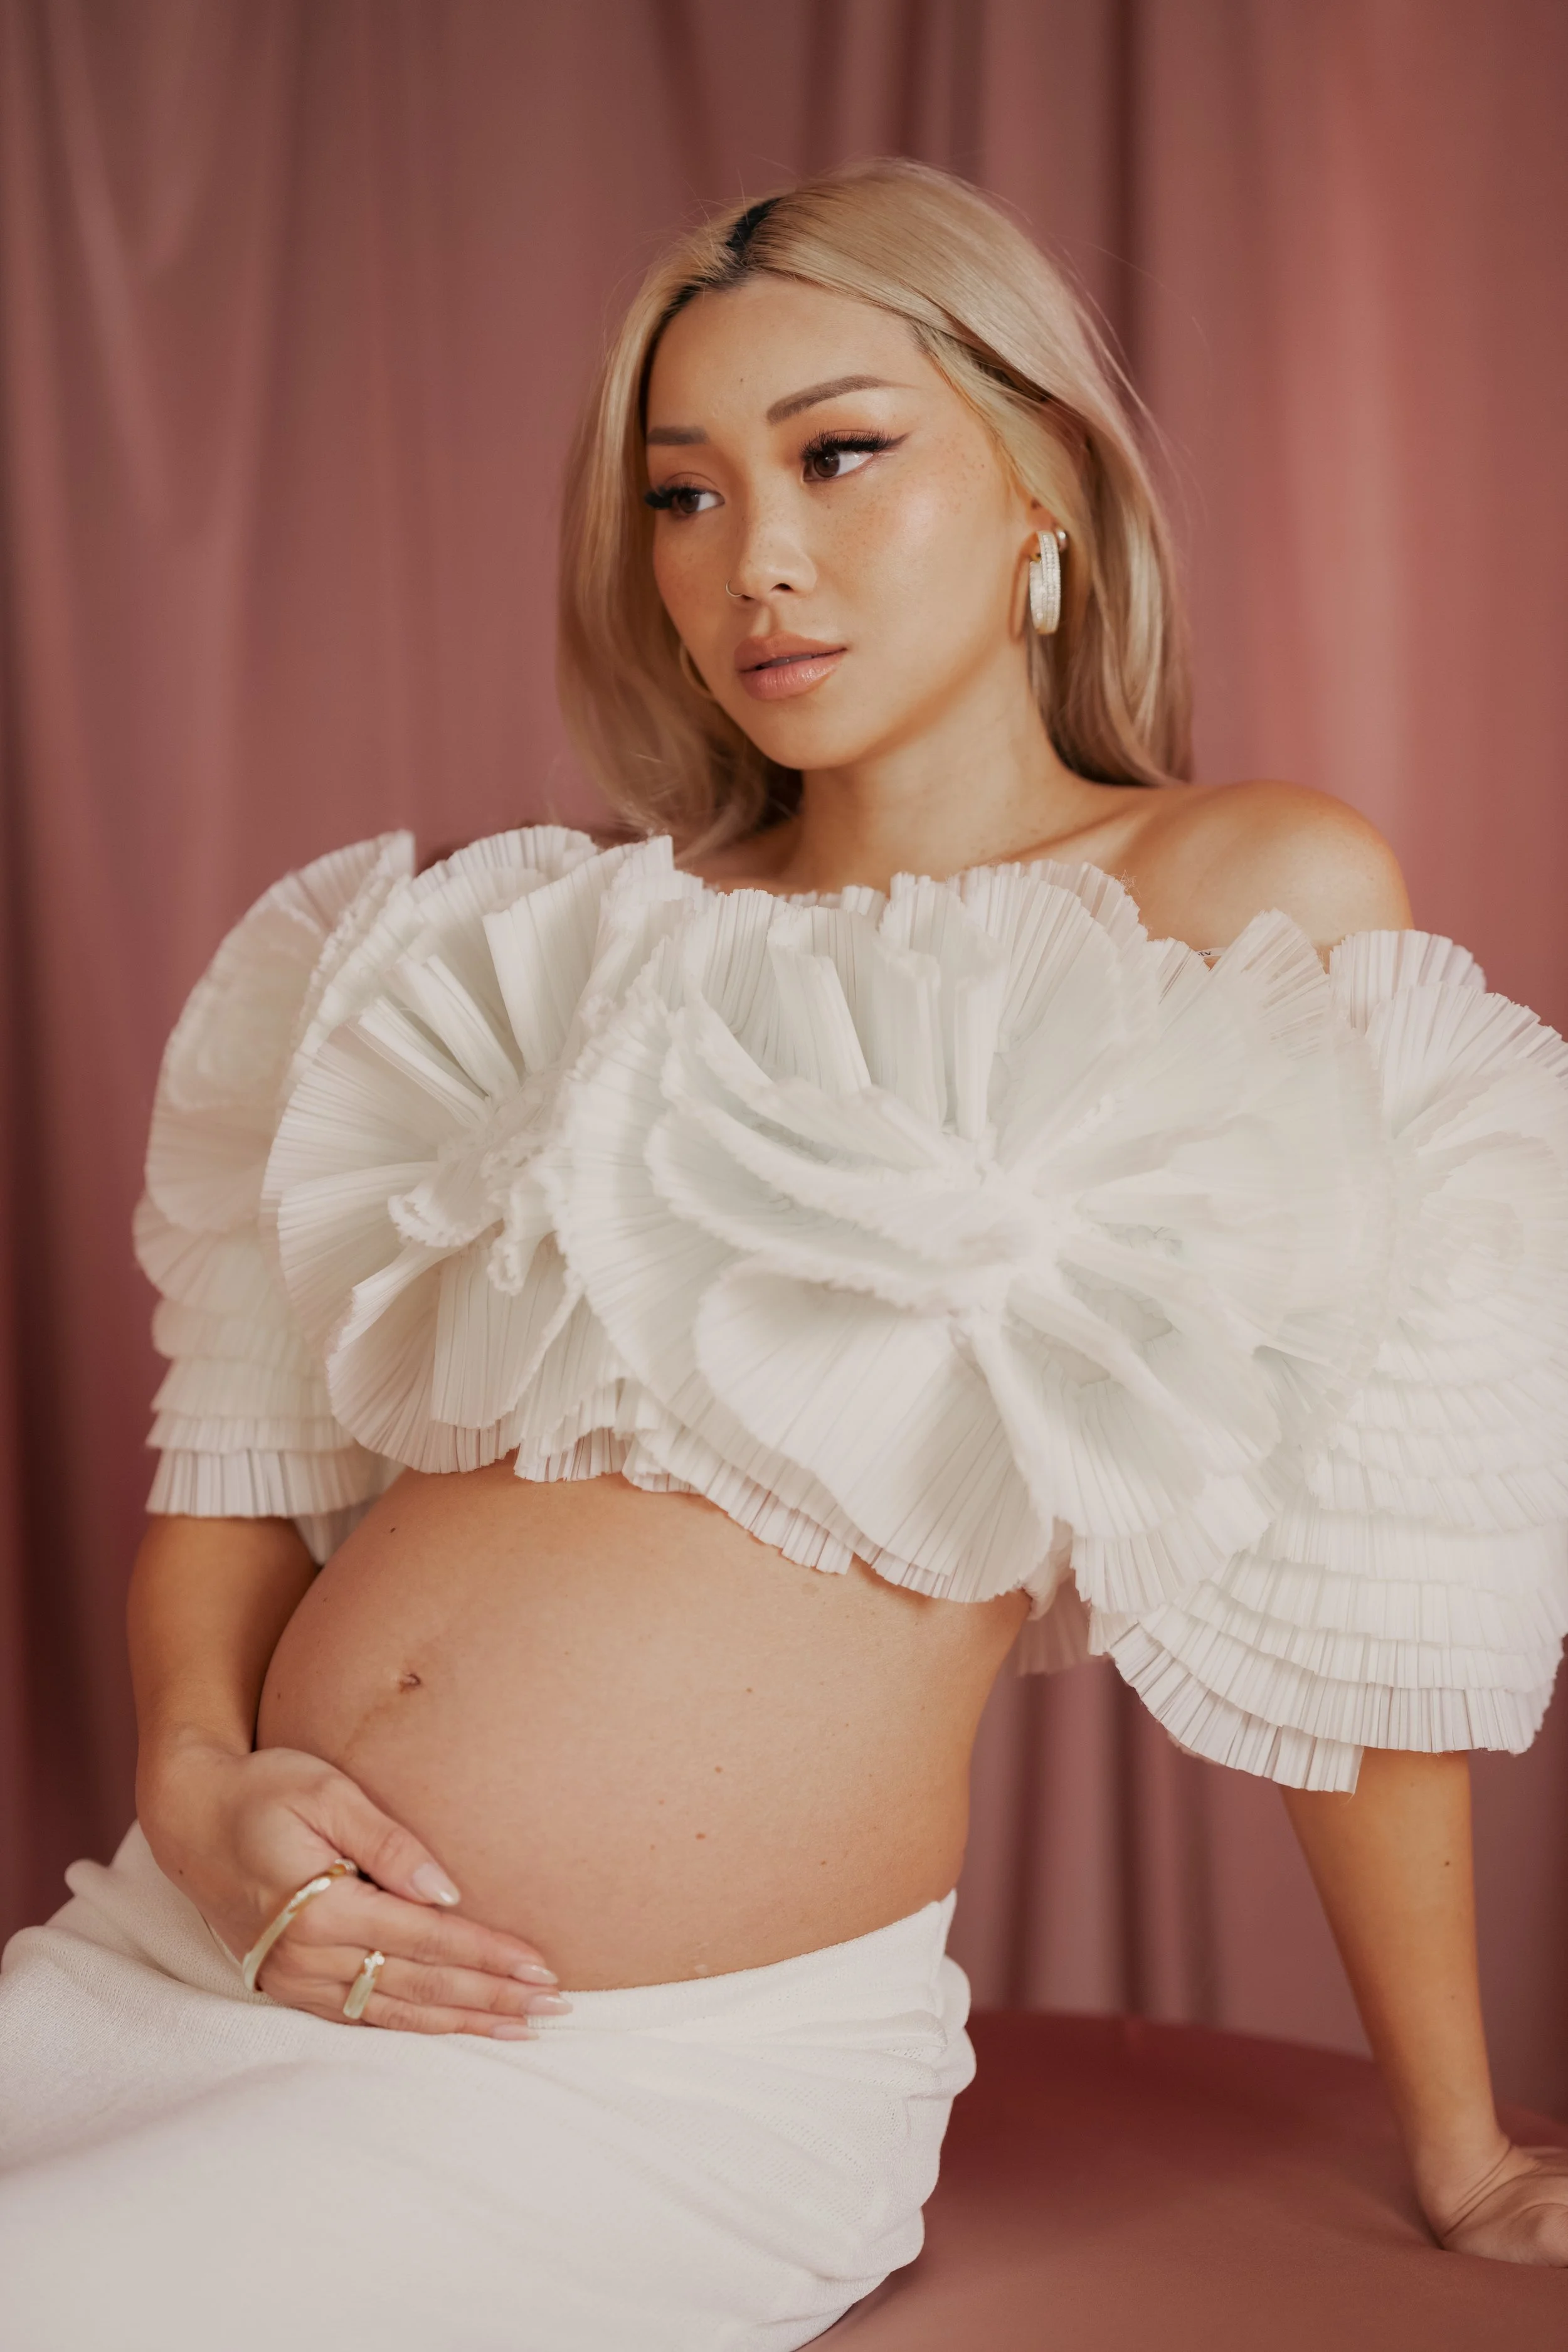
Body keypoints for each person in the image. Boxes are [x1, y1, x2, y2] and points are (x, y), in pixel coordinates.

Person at [3, 156, 1566, 2348]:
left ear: (1041, 481)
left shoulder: (1236, 899)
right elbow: (238, 1455)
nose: (759, 560)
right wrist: (195, 1799)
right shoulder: (516, 933)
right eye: (682, 494)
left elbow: (1353, 1576)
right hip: (183, 1952)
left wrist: (1463, 2138)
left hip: (620, 2074)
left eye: (840, 453)